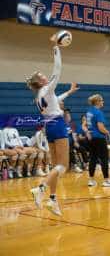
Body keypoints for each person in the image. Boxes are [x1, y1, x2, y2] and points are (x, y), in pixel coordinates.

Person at [27, 34, 79, 215]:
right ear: (40, 81)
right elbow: (57, 69)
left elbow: (56, 101)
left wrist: (69, 92)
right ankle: (40, 189)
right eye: (42, 76)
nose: (46, 77)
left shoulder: (40, 95)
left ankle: (53, 199)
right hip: (57, 124)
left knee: (56, 166)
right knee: (63, 166)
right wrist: (56, 48)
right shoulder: (47, 88)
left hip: (49, 126)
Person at [86, 94, 110, 187]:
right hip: (99, 138)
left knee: (93, 158)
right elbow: (100, 127)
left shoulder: (89, 112)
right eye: (102, 100)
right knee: (104, 159)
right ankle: (106, 180)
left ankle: (91, 180)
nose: (103, 102)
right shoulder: (98, 112)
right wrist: (107, 132)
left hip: (91, 138)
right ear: (97, 102)